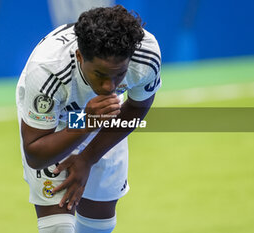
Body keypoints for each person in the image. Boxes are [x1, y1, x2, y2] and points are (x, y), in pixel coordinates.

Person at [16, 5, 161, 233]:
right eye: (100, 75)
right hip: (58, 121)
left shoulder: (145, 55)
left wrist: (87, 158)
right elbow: (35, 153)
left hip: (105, 116)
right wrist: (85, 122)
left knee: (98, 227)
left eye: (119, 74)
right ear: (80, 56)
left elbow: (137, 106)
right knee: (58, 228)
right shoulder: (46, 72)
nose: (109, 86)